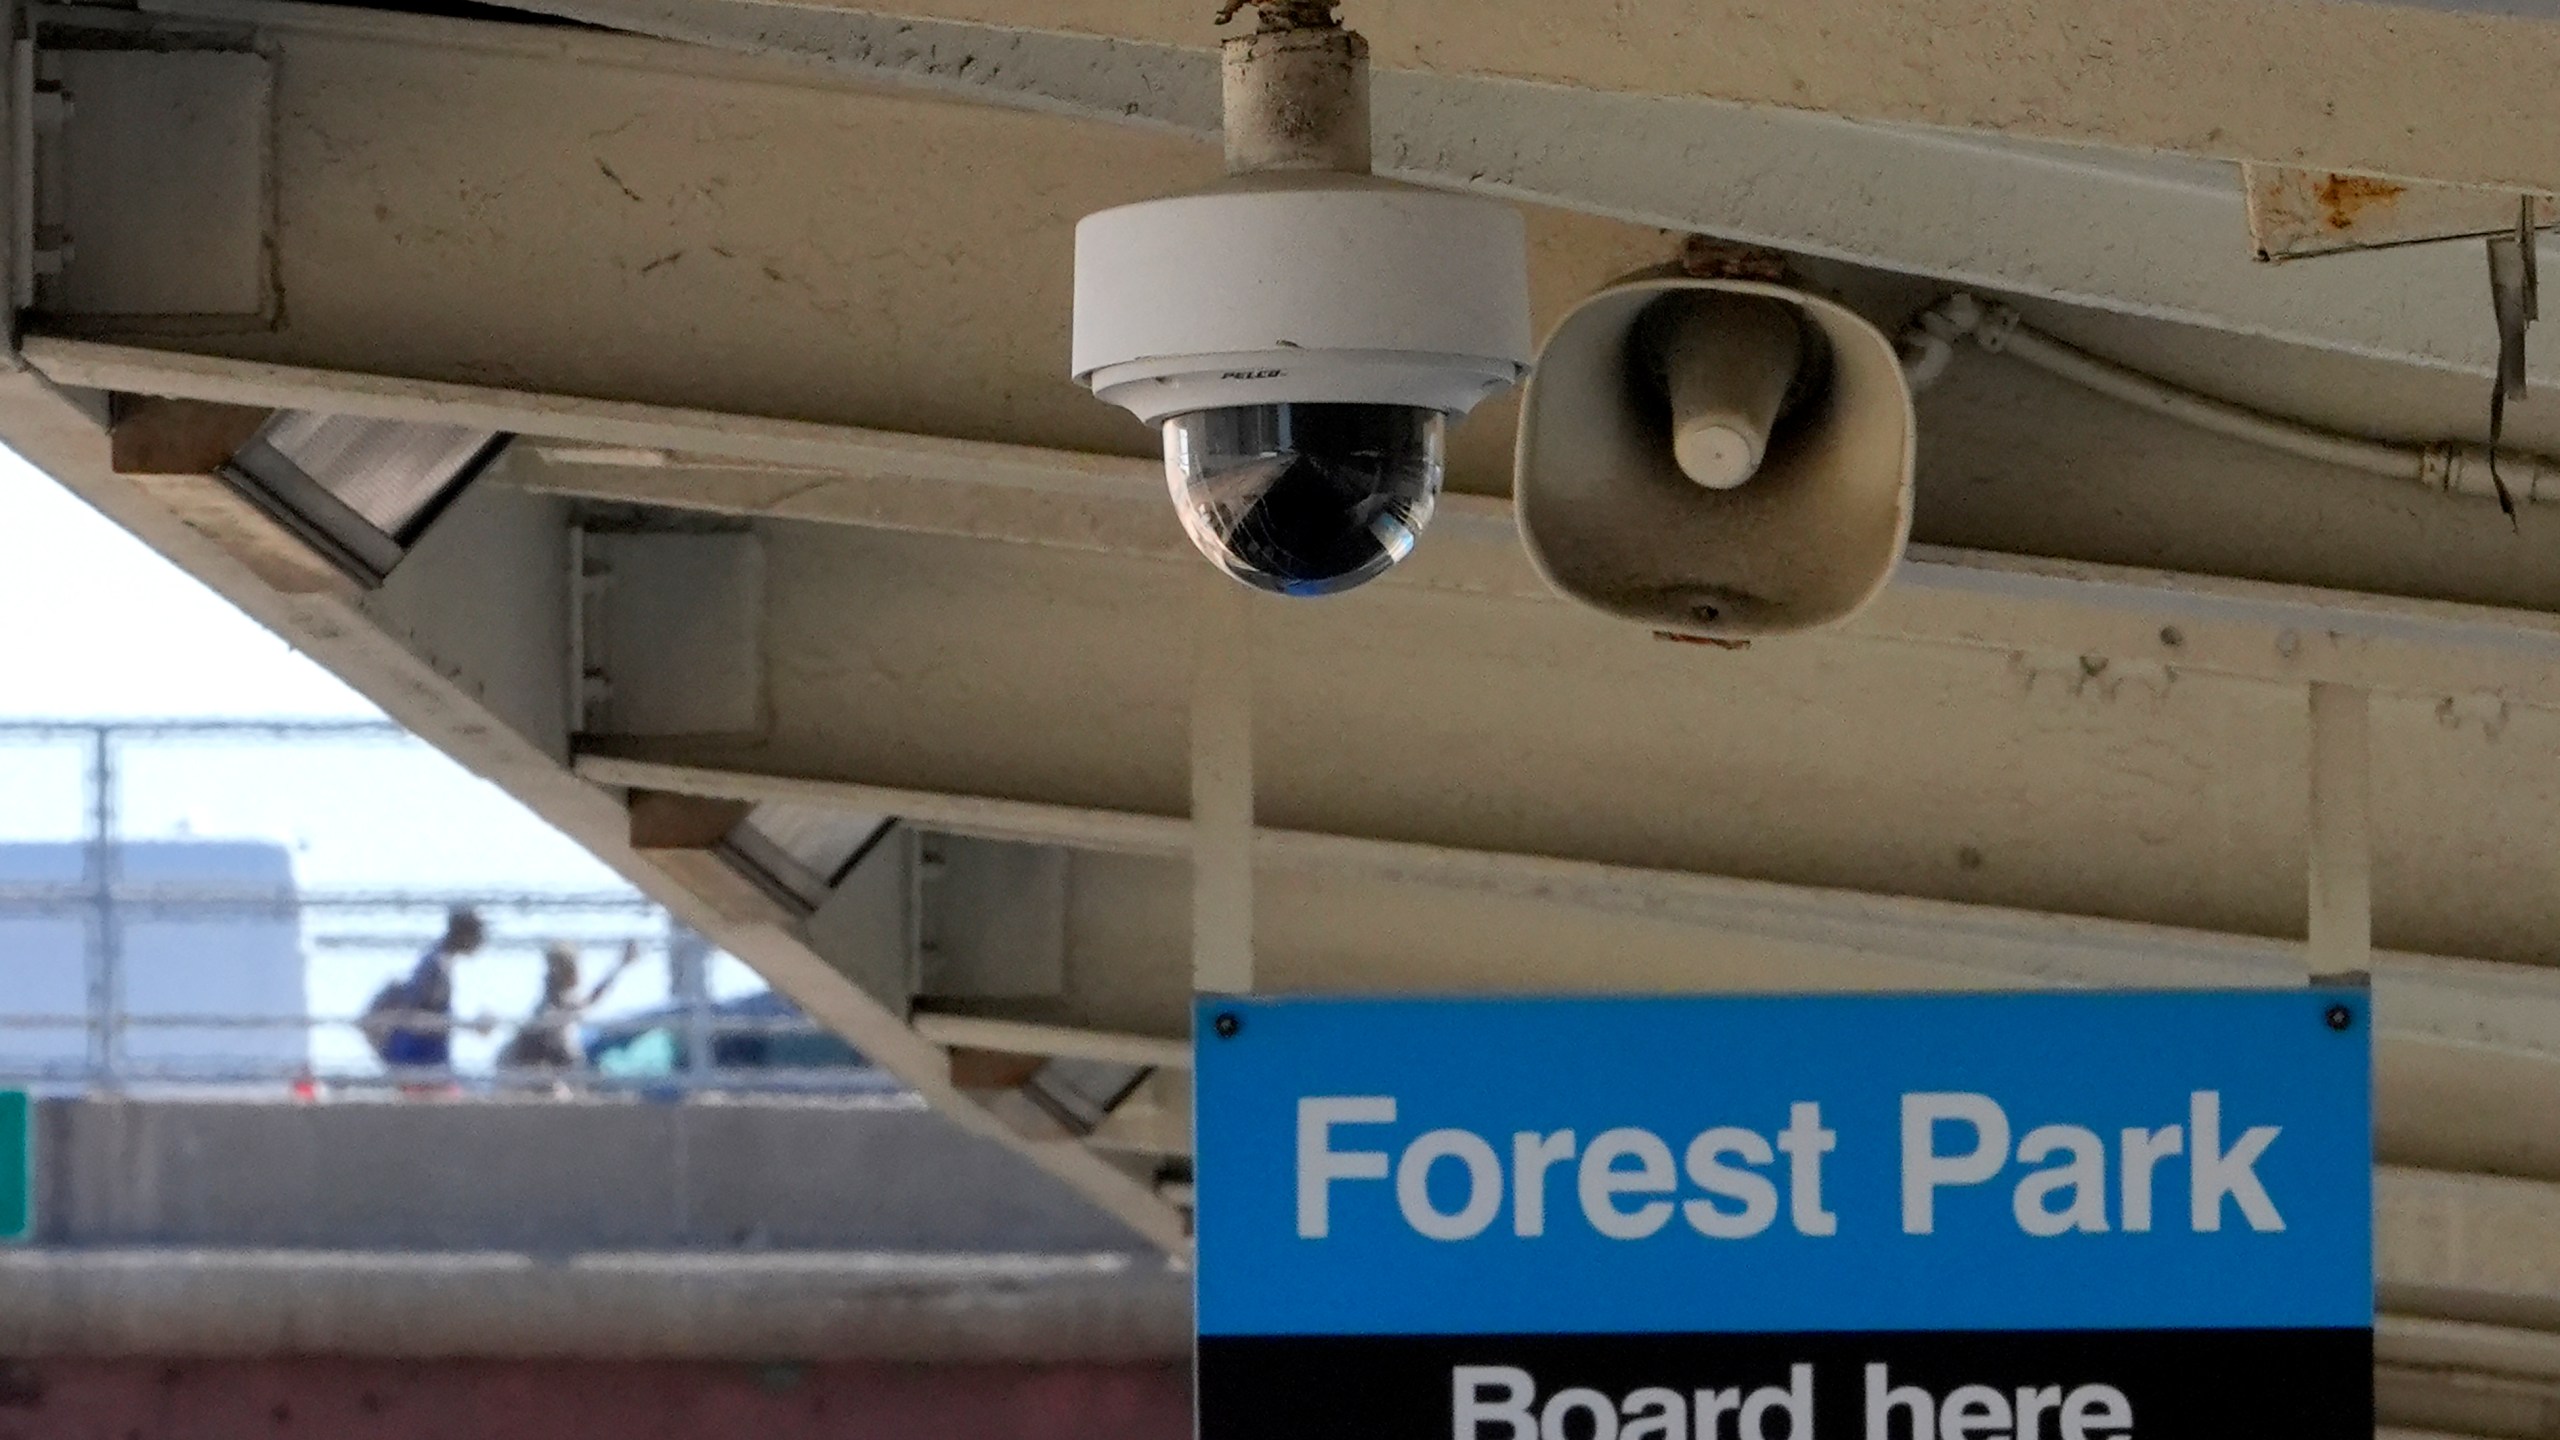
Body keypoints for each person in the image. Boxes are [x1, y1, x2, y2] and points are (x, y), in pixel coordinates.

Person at [360, 906, 489, 1085]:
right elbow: (416, 1016)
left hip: (429, 1063)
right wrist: (467, 1025)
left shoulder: (438, 961)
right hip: (422, 1063)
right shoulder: (436, 967)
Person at [499, 939, 640, 1074]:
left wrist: (619, 966)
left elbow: (589, 1000)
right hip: (545, 1056)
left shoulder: (559, 1000)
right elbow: (589, 1000)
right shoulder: (555, 1002)